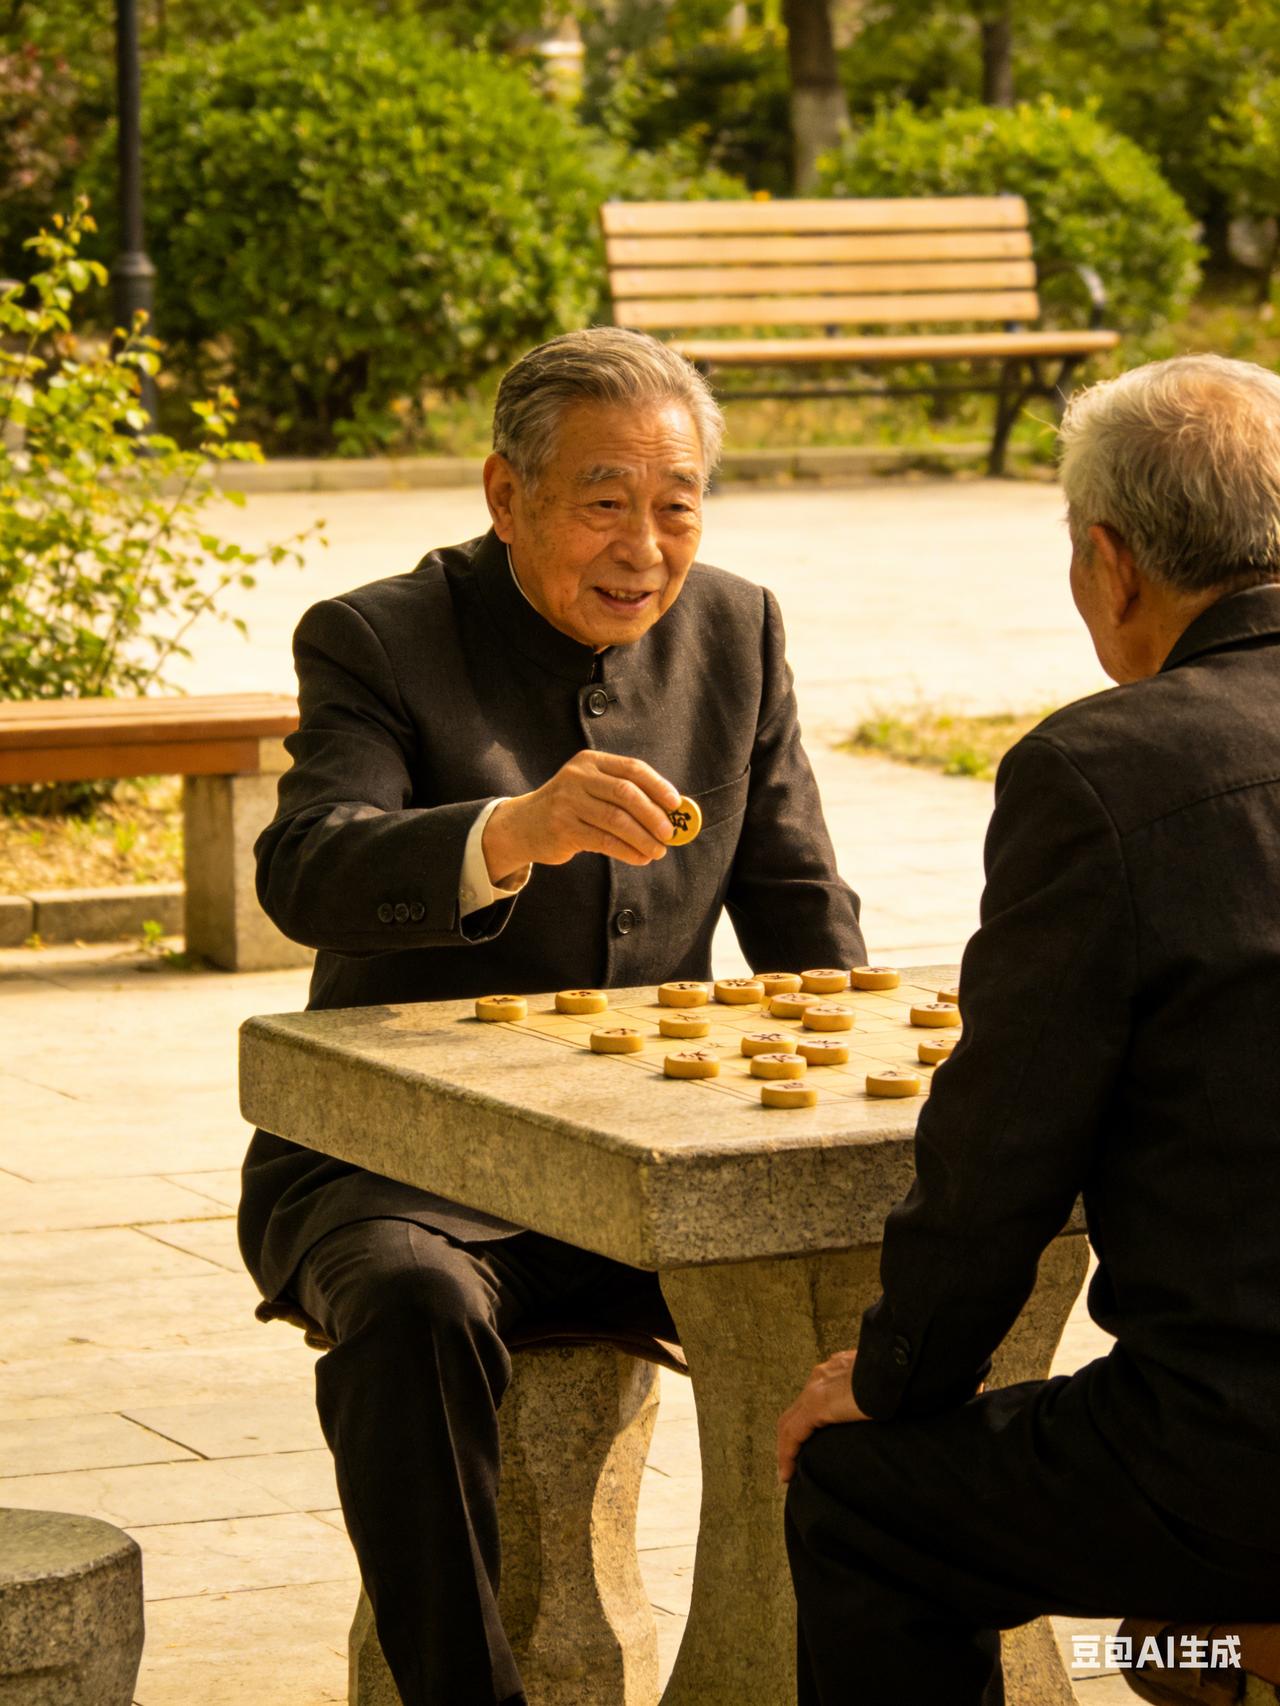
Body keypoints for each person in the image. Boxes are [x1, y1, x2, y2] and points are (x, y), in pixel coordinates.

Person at [237, 326, 865, 1706]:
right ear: (505, 495)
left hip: (653, 1176)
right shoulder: (379, 635)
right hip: (403, 1167)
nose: (646, 544)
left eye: (677, 502)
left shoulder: (739, 629)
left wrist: (870, 1130)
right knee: (408, 1306)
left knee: (881, 1291)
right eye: (604, 501)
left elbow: (804, 906)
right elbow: (305, 866)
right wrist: (508, 833)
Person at [779, 353, 1280, 1706]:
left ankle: (1219, 1642)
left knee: (862, 1502)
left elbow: (1002, 1153)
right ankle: (1211, 1650)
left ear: (1108, 565)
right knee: (1179, 1623)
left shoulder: (1104, 771)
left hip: (1242, 1447)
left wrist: (891, 1377)